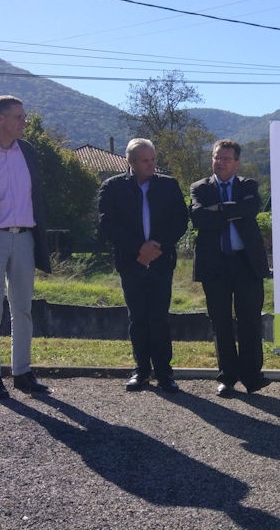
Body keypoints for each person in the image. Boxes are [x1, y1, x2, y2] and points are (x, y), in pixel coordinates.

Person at [98, 138, 188, 393]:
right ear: (131, 162)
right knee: (137, 318)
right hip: (131, 262)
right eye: (145, 161)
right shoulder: (113, 187)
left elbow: (180, 220)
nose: (152, 165)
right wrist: (139, 248)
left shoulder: (168, 186)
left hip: (161, 261)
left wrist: (155, 246)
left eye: (153, 159)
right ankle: (141, 371)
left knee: (159, 318)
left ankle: (164, 373)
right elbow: (107, 224)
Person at [190, 139, 271, 398]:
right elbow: (199, 218)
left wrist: (219, 209)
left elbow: (250, 209)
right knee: (221, 322)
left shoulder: (248, 185)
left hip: (246, 264)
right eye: (216, 157)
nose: (220, 162)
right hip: (216, 265)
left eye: (226, 159)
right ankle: (227, 377)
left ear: (236, 163)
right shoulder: (200, 188)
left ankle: (252, 376)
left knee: (250, 321)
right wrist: (230, 211)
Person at [0, 95, 52, 399]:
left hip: (25, 237)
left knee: (22, 309)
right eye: (18, 116)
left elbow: (37, 196)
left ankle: (22, 373)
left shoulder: (27, 151)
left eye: (24, 116)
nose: (24, 122)